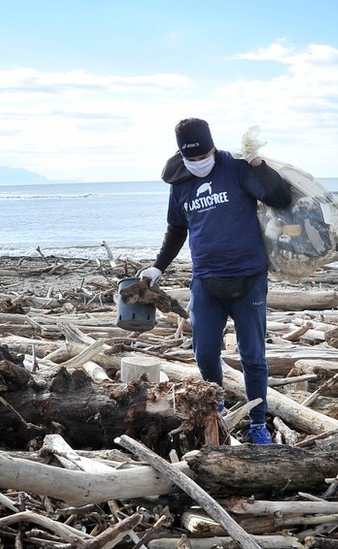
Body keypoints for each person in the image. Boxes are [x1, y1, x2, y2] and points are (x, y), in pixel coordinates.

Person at [139, 118, 292, 445]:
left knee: (253, 356)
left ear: (212, 146)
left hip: (248, 278)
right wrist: (157, 267)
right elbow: (177, 229)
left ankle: (257, 423)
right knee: (205, 352)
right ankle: (216, 409)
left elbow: (278, 197)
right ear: (182, 155)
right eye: (190, 159)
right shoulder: (180, 182)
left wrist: (258, 165)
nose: (198, 163)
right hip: (206, 281)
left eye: (203, 155)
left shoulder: (235, 167)